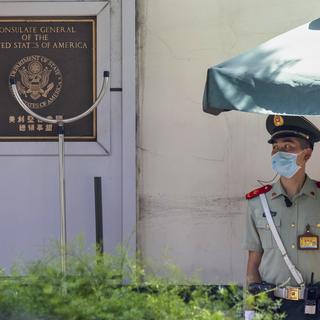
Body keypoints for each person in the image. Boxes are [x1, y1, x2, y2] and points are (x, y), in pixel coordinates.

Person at [244, 115, 320, 319]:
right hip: (272, 307)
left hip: (315, 306)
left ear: (307, 154)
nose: (279, 153)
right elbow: (253, 264)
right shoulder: (257, 203)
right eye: (275, 147)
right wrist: (250, 311)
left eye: (288, 146)